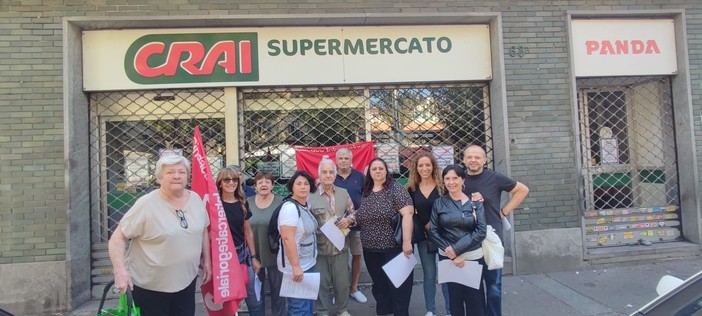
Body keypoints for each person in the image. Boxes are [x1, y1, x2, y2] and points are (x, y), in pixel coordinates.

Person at [108, 155, 211, 316]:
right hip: (150, 288)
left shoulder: (196, 199)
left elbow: (203, 229)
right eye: (170, 172)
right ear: (159, 178)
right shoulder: (146, 204)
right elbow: (117, 239)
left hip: (186, 283)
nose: (177, 176)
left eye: (181, 172)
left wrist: (207, 262)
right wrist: (120, 272)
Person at [462, 145, 529, 316]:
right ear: (464, 159)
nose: (473, 160)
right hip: (468, 240)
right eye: (469, 157)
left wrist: (504, 212)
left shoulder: (495, 177)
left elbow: (522, 190)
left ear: (485, 160)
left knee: (493, 286)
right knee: (473, 286)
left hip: (491, 239)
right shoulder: (459, 179)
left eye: (477, 157)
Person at [355, 158, 414, 316]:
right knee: (380, 289)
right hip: (371, 250)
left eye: (381, 168)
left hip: (393, 249)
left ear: (386, 171)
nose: (378, 171)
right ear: (369, 173)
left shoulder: (395, 189)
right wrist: (350, 218)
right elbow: (362, 215)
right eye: (374, 169)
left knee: (398, 288)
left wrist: (407, 242)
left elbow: (408, 214)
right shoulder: (366, 191)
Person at [430, 164, 487, 316]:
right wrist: (453, 253)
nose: (451, 182)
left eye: (455, 178)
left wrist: (458, 249)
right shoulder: (438, 203)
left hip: (472, 256)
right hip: (448, 257)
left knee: (475, 299)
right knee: (454, 300)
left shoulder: (475, 203)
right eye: (447, 178)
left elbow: (481, 231)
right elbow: (434, 231)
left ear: (463, 180)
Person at [310, 157, 356, 316]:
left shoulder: (344, 193)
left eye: (331, 172)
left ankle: (342, 310)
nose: (328, 175)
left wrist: (350, 219)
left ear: (335, 175)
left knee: (342, 282)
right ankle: (322, 311)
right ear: (319, 175)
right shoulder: (311, 196)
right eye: (324, 172)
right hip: (320, 249)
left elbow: (353, 212)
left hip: (341, 247)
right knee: (321, 283)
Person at [406, 152, 450, 316]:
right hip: (425, 237)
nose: (424, 168)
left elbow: (450, 208)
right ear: (416, 169)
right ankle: (430, 310)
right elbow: (408, 213)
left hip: (445, 236)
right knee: (429, 274)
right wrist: (424, 223)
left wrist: (435, 223)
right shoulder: (411, 189)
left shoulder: (443, 187)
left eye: (428, 165)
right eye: (421, 165)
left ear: (433, 167)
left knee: (446, 274)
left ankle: (450, 310)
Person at [216, 166, 263, 316]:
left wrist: (254, 257)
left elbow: (248, 231)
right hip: (223, 258)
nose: (231, 183)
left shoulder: (242, 202)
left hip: (242, 255)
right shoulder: (214, 205)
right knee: (228, 301)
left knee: (254, 299)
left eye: (234, 179)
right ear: (220, 183)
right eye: (227, 179)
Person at [278, 171, 319, 315]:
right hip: (296, 267)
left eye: (306, 184)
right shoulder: (290, 208)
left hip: (309, 264)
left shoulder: (305, 205)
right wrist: (296, 267)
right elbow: (288, 239)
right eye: (298, 184)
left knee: (307, 307)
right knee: (299, 309)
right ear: (292, 187)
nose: (303, 187)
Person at [247, 172, 287, 316]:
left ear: (273, 185)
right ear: (255, 186)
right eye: (260, 182)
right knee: (257, 293)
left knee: (279, 292)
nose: (264, 185)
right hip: (254, 254)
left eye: (267, 182)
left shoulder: (281, 203)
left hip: (275, 255)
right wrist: (252, 255)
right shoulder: (247, 202)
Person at [333, 148, 368, 304]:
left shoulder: (359, 176)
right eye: (341, 158)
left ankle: (354, 288)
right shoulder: (331, 176)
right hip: (336, 226)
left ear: (351, 160)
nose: (343, 161)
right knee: (339, 259)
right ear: (336, 160)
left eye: (346, 158)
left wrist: (353, 218)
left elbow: (367, 199)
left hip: (357, 225)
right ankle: (340, 291)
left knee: (356, 255)